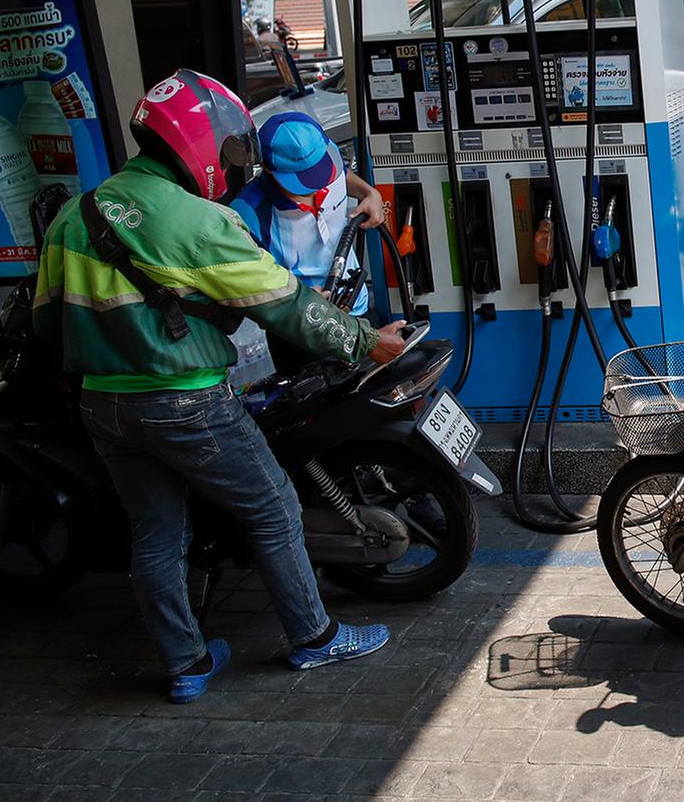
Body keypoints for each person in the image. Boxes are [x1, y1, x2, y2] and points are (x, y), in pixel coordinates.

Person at [32, 70, 410, 703]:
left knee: (156, 534)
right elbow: (285, 304)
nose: (234, 162)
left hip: (104, 403)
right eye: (229, 147)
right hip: (188, 401)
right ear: (200, 144)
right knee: (273, 508)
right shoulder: (199, 221)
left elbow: (48, 320)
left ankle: (186, 664)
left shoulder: (77, 212)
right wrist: (367, 342)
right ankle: (314, 639)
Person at [231, 111, 386, 328]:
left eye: (318, 171)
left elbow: (342, 174)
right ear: (266, 167)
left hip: (357, 307)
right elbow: (247, 285)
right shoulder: (247, 213)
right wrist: (296, 299)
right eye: (302, 180)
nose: (318, 185)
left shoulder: (327, 160)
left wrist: (370, 193)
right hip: (303, 328)